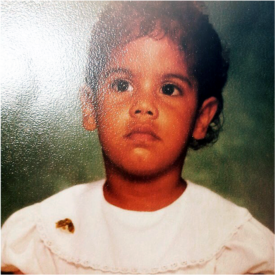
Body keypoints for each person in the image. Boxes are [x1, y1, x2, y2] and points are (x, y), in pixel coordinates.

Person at [2, 0, 275, 274]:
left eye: (169, 89)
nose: (143, 105)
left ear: (202, 117)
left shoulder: (234, 247)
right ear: (90, 106)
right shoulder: (42, 239)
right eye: (122, 85)